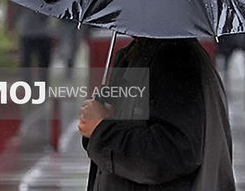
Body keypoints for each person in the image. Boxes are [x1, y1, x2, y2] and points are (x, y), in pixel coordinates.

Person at [78, 37, 235, 191]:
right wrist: (100, 121)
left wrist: (102, 131)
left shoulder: (176, 58)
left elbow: (174, 152)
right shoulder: (135, 53)